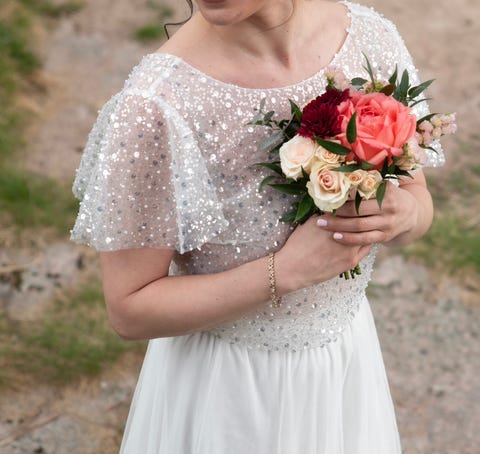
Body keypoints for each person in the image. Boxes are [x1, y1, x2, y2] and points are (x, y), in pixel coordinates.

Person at [71, 0, 445, 452]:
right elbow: (129, 309)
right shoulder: (156, 106)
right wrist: (283, 272)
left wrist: (406, 215)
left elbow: (418, 200)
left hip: (344, 369)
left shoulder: (367, 40)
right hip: (229, 394)